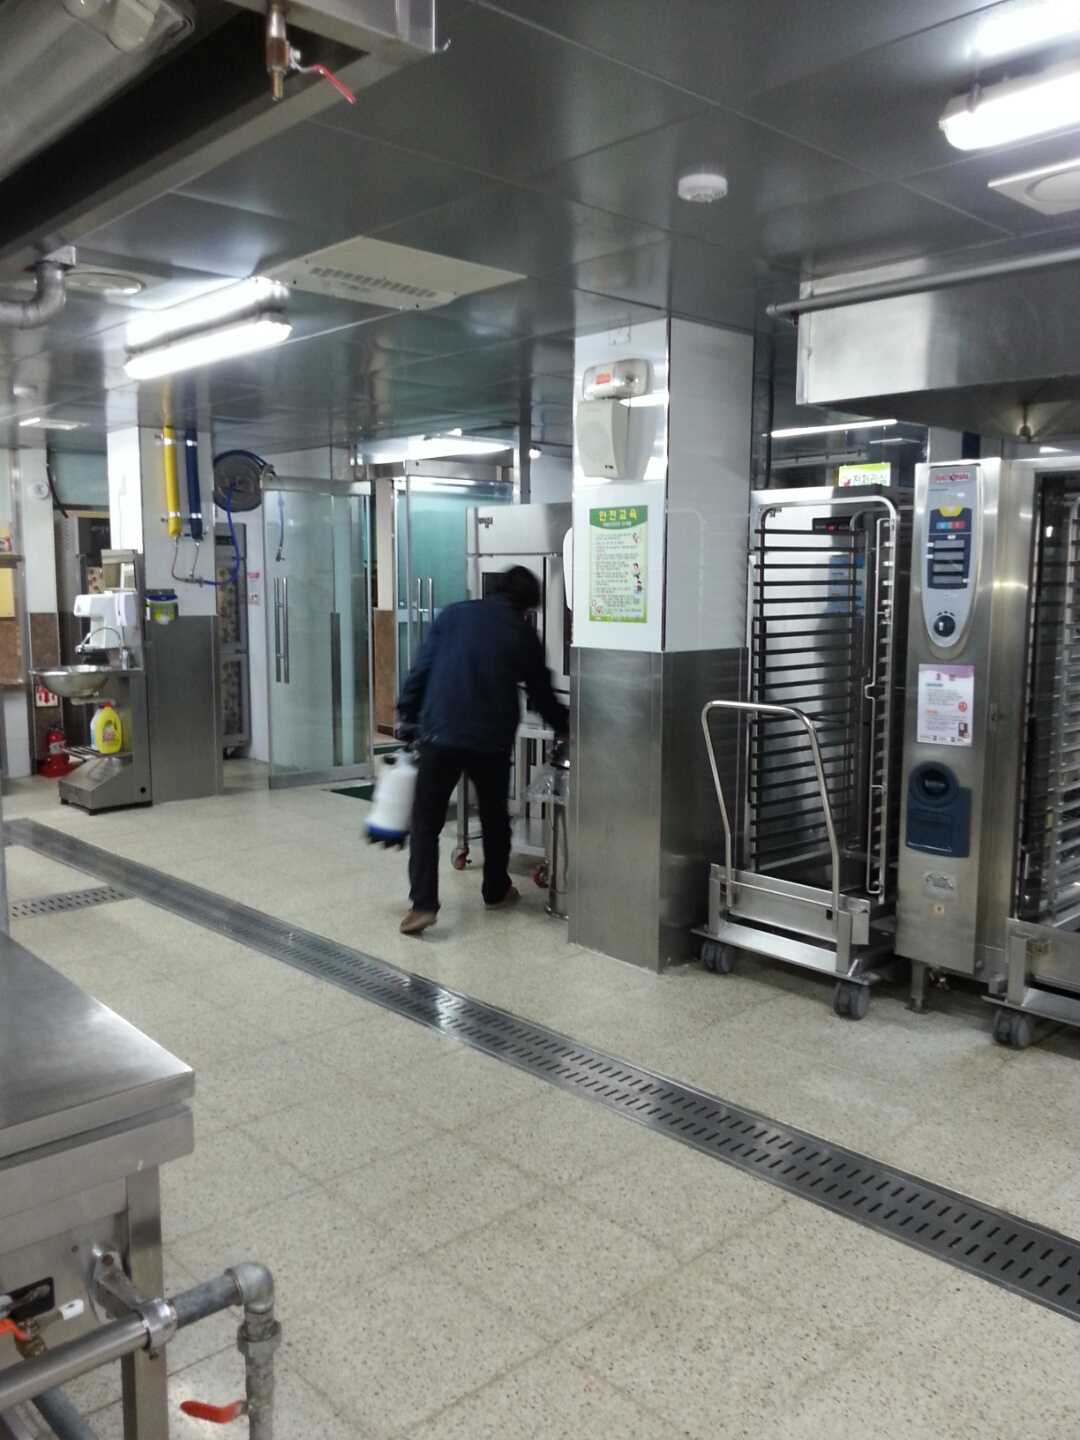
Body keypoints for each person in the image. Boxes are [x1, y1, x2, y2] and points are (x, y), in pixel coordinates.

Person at [395, 565, 569, 936]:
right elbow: (541, 692)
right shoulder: (522, 633)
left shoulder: (453, 615)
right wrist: (565, 725)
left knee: (426, 822)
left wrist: (406, 712)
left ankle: (423, 904)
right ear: (527, 605)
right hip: (490, 740)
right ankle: (495, 889)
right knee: (493, 816)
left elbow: (422, 667)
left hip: (440, 732)